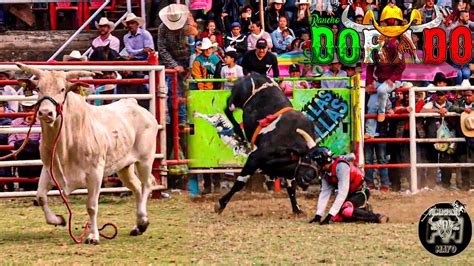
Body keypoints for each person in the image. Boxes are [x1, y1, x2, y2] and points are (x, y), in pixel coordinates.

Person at [308, 147, 389, 224]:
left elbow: (343, 192)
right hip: (348, 195)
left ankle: (377, 217)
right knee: (337, 218)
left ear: (322, 161)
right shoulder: (325, 172)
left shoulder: (341, 167)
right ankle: (362, 211)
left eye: (317, 162)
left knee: (346, 210)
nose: (316, 165)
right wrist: (318, 215)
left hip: (360, 192)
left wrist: (329, 215)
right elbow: (325, 192)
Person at [157, 3, 194, 125]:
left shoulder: (187, 24)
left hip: (188, 59)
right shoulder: (162, 28)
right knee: (174, 90)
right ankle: (178, 119)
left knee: (189, 89)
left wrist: (191, 65)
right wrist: (174, 65)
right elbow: (162, 49)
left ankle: (189, 118)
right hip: (173, 60)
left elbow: (192, 47)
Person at [9, 97, 41, 191]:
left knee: (33, 149)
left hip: (36, 151)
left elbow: (42, 140)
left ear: (35, 107)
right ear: (22, 107)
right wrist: (14, 151)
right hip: (21, 151)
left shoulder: (41, 121)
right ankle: (25, 186)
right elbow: (11, 139)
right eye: (26, 107)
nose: (29, 109)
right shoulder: (15, 122)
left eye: (31, 107)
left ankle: (34, 186)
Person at [451, 89, 473, 190]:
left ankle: (471, 183)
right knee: (463, 158)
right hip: (462, 133)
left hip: (472, 134)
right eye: (466, 95)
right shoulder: (460, 102)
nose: (467, 97)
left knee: (471, 158)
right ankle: (464, 184)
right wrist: (463, 109)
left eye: (469, 95)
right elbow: (452, 108)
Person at [0, 102, 13, 192]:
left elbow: (6, 137)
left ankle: (9, 187)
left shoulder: (8, 121)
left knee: (6, 169)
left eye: (0, 106)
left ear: (4, 108)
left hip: (5, 150)